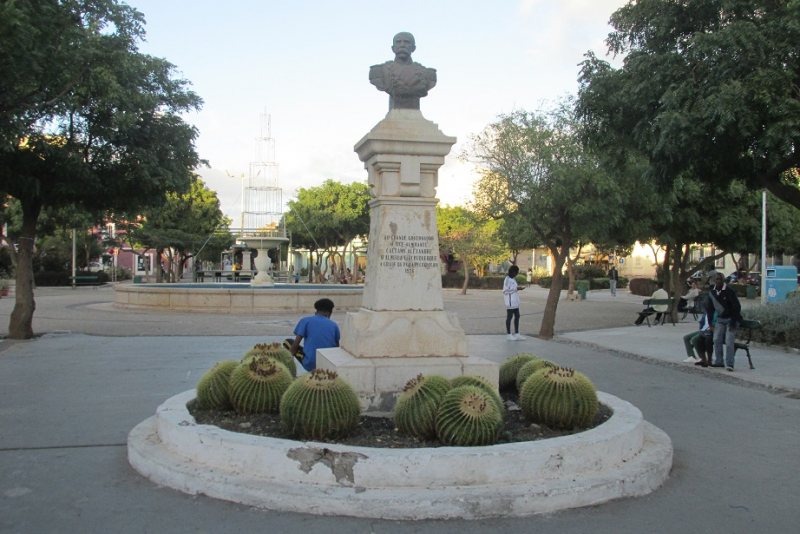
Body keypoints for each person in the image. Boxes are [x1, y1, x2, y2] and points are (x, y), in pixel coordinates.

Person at [369, 32, 437, 110]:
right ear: (393, 48)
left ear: (413, 48)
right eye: (398, 42)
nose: (402, 45)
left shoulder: (427, 74)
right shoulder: (379, 71)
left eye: (406, 42)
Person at [285, 298, 341, 372]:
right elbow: (336, 347)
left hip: (311, 364)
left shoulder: (305, 321)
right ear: (328, 313)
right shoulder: (334, 325)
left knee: (287, 342)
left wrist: (289, 358)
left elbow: (296, 344)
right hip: (328, 365)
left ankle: (291, 371)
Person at [707, 272, 742, 371]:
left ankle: (730, 363)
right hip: (720, 319)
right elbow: (710, 308)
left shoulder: (729, 291)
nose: (718, 281)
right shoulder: (712, 292)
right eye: (716, 279)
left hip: (731, 319)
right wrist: (710, 323)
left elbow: (737, 307)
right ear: (714, 281)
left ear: (723, 280)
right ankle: (719, 361)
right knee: (716, 339)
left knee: (729, 341)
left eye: (720, 279)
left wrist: (733, 322)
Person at [503, 265, 526, 341]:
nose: (516, 274)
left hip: (515, 302)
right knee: (509, 317)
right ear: (513, 272)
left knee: (517, 316)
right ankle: (509, 334)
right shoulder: (507, 280)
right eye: (516, 273)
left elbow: (514, 288)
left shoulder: (512, 279)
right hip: (510, 302)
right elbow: (505, 291)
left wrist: (517, 288)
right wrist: (516, 288)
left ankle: (517, 333)